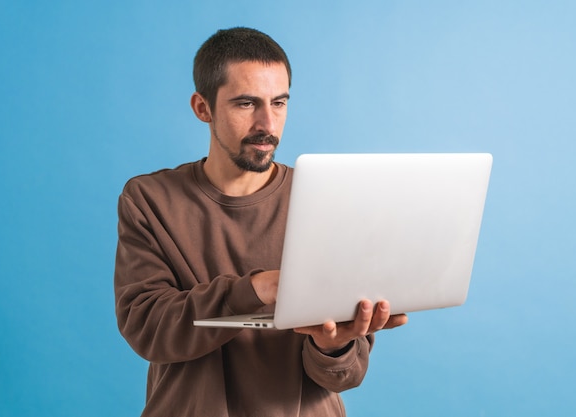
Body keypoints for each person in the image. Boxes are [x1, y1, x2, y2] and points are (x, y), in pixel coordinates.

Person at [114, 27, 408, 417]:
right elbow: (148, 328)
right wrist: (259, 288)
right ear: (203, 108)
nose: (267, 124)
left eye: (280, 103)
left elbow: (344, 376)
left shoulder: (327, 201)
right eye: (246, 104)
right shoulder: (150, 200)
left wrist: (333, 346)